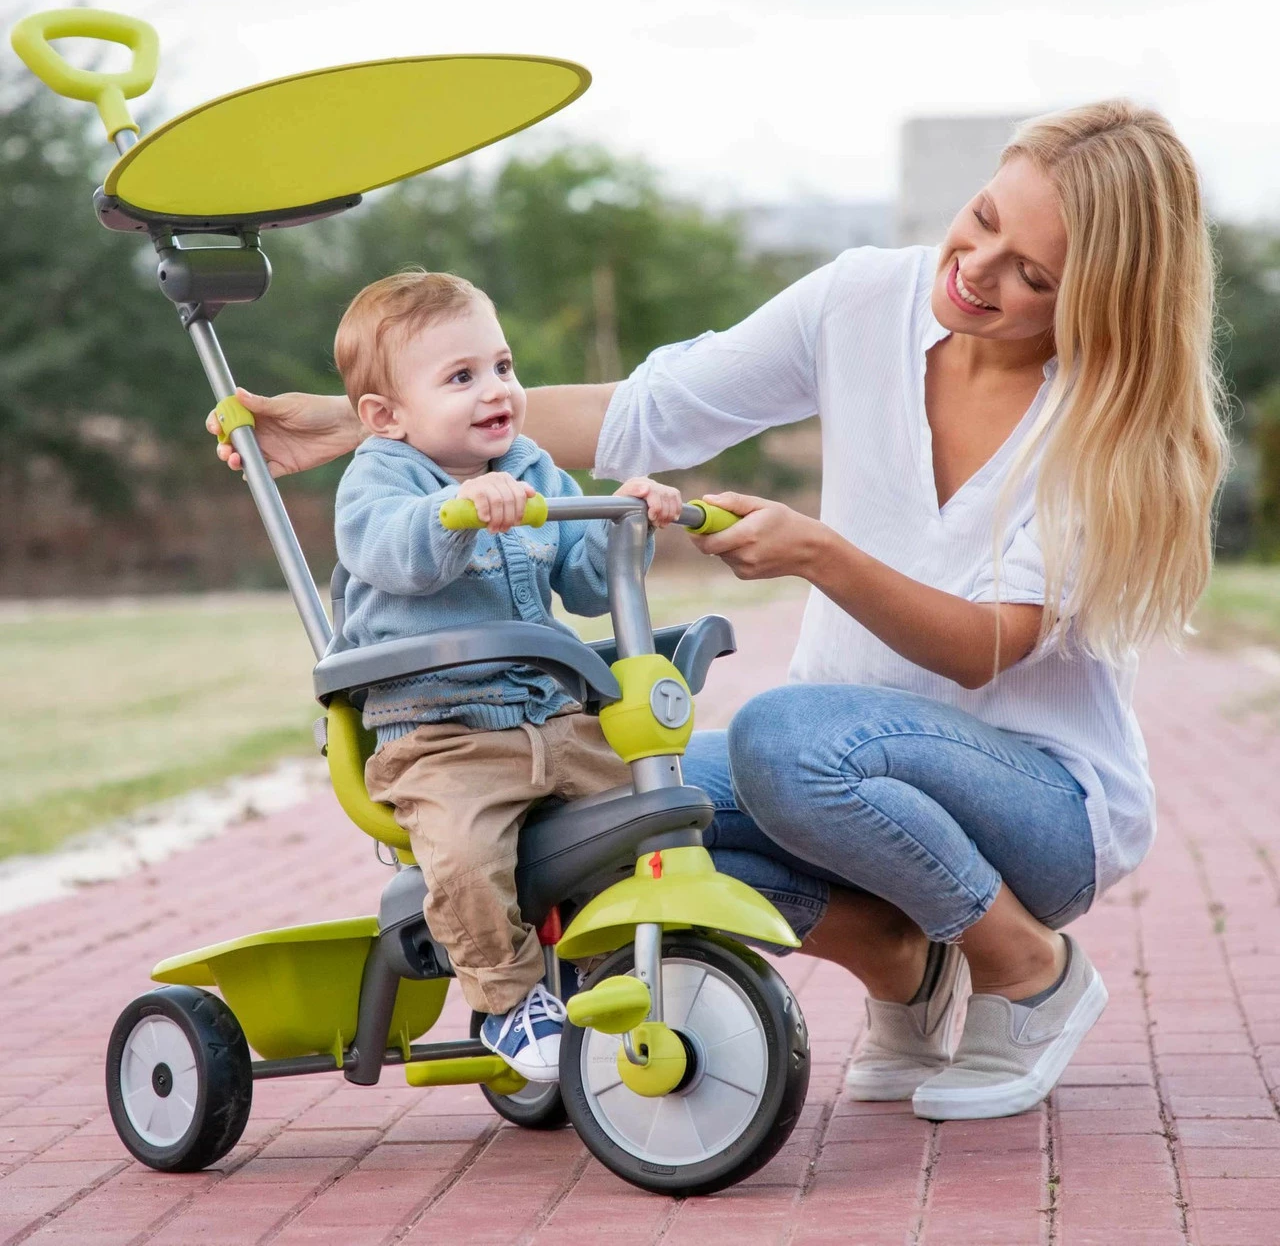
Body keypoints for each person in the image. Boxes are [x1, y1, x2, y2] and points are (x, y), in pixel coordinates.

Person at [210, 101, 1226, 1121]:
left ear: (1097, 297)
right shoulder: (865, 298)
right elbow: (648, 412)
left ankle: (1026, 970)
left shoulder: (1102, 420)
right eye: (982, 218)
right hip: (844, 780)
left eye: (1031, 276)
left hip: (1037, 806)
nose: (976, 267)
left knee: (781, 736)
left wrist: (819, 554)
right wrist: (370, 420)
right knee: (598, 811)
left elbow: (983, 649)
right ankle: (902, 969)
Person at [329, 269, 681, 1081]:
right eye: (461, 378)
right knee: (462, 853)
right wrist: (453, 512)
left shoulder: (531, 465)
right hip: (441, 734)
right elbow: (393, 554)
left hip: (554, 717)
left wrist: (627, 520)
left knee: (648, 811)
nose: (497, 391)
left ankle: (621, 956)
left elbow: (588, 584)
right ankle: (508, 998)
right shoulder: (379, 478)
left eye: (503, 366)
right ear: (387, 416)